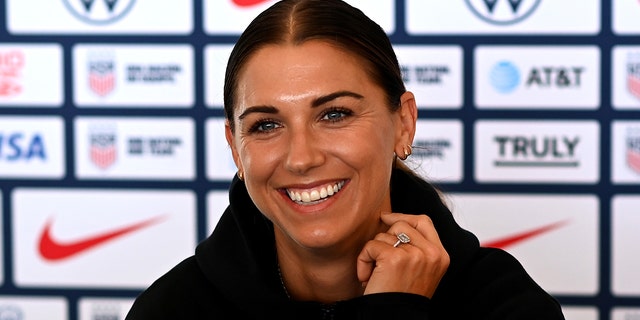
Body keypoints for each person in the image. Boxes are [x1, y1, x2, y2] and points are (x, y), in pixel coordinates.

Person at [125, 0, 566, 318]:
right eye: (266, 125)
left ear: (403, 124)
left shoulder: (502, 305)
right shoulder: (173, 309)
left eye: (334, 114)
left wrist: (396, 309)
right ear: (235, 147)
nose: (301, 157)